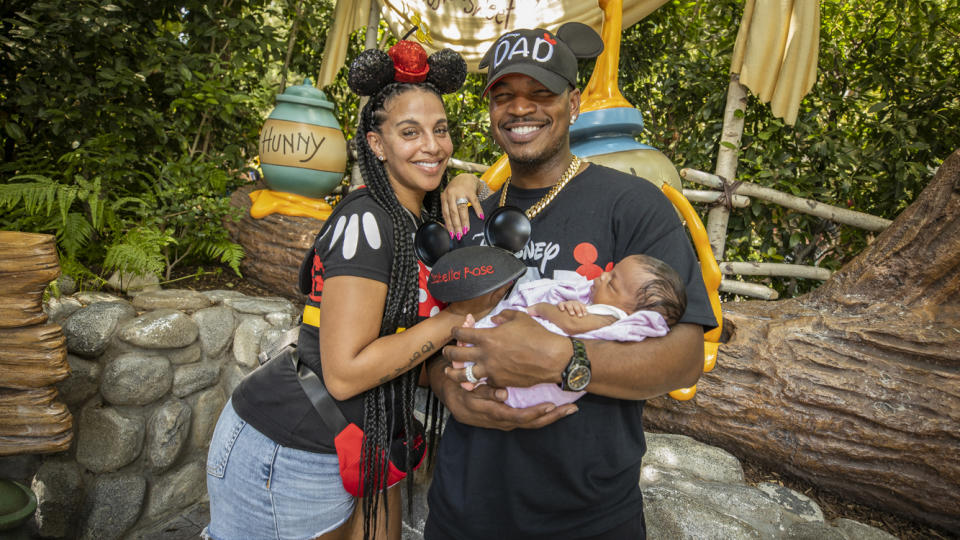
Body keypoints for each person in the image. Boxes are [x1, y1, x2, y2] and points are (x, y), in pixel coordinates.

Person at [423, 23, 719, 539]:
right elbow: (427, 339)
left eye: (541, 93)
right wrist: (447, 391)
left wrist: (565, 359)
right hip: (462, 509)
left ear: (574, 102)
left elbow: (684, 358)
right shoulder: (470, 221)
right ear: (491, 109)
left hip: (588, 517)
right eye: (504, 95)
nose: (520, 109)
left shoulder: (634, 205)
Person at [203, 42, 507, 540]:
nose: (432, 145)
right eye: (409, 132)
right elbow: (344, 374)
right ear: (377, 144)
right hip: (291, 447)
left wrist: (466, 180)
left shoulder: (420, 216)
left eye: (441, 129)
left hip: (368, 436)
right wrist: (456, 319)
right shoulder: (367, 220)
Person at [455, 253, 687, 409]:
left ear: (633, 311)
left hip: (554, 378)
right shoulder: (603, 308)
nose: (602, 276)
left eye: (612, 283)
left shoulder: (614, 315)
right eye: (611, 271)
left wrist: (543, 308)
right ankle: (473, 374)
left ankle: (473, 372)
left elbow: (572, 325)